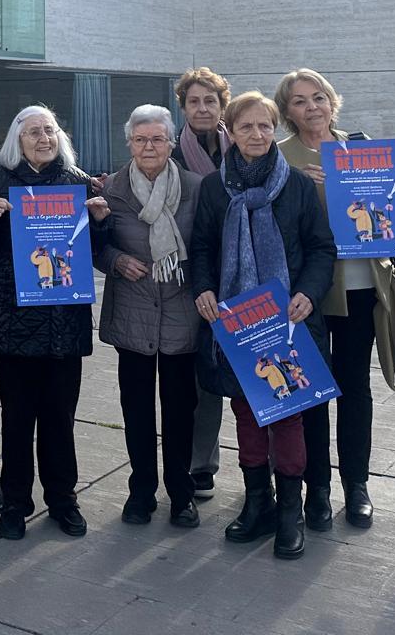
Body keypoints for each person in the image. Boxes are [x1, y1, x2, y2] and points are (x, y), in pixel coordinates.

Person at [190, 91, 335, 560]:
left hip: (287, 321)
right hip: (237, 323)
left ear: (276, 129)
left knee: (288, 417)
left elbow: (320, 247)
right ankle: (258, 505)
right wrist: (205, 288)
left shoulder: (293, 184)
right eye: (247, 127)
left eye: (265, 126)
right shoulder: (215, 187)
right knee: (247, 415)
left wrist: (308, 293)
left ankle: (290, 514)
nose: (257, 134)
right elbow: (202, 248)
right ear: (230, 131)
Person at [275, 68, 395, 532]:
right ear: (287, 110)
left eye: (318, 97)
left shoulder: (362, 145)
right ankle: (316, 488)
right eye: (299, 101)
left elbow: (383, 213)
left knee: (355, 387)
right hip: (310, 293)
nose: (311, 107)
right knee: (313, 393)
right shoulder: (281, 158)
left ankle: (357, 485)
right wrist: (300, 185)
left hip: (361, 288)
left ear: (332, 102)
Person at [0, 106, 107, 539]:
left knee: (60, 418)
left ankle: (63, 499)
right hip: (12, 320)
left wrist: (101, 223)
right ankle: (14, 502)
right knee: (19, 418)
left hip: (64, 321)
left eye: (49, 130)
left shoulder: (78, 183)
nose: (43, 138)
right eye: (32, 133)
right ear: (17, 141)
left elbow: (95, 252)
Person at [97, 105, 202, 529]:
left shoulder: (197, 188)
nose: (149, 147)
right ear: (129, 144)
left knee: (181, 411)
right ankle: (141, 490)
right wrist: (118, 260)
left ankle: (181, 493)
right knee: (137, 410)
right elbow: (92, 245)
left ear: (172, 143)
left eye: (157, 139)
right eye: (140, 139)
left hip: (182, 313)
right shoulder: (111, 191)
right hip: (133, 316)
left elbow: (209, 245)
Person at [171, 66, 231, 501]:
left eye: (210, 100)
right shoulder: (170, 153)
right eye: (194, 101)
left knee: (255, 371)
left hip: (246, 276)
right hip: (194, 278)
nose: (203, 108)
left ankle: (261, 462)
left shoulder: (247, 146)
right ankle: (200, 464)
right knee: (203, 377)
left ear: (222, 105)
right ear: (184, 107)